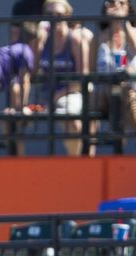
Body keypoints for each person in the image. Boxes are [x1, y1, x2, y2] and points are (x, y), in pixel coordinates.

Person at [33, 0, 90, 156]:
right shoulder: (43, 41)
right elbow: (33, 72)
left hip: (70, 93)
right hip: (46, 97)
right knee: (12, 118)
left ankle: (75, 163)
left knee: (71, 121)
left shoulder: (75, 40)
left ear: (67, 16)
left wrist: (57, 96)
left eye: (58, 14)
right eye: (49, 15)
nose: (54, 18)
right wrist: (37, 40)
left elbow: (81, 78)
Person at [90, 0, 136, 147]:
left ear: (129, 8)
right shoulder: (98, 37)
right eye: (111, 2)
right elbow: (91, 69)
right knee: (97, 95)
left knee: (125, 91)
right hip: (105, 94)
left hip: (133, 92)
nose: (116, 6)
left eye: (122, 3)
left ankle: (129, 139)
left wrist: (123, 22)